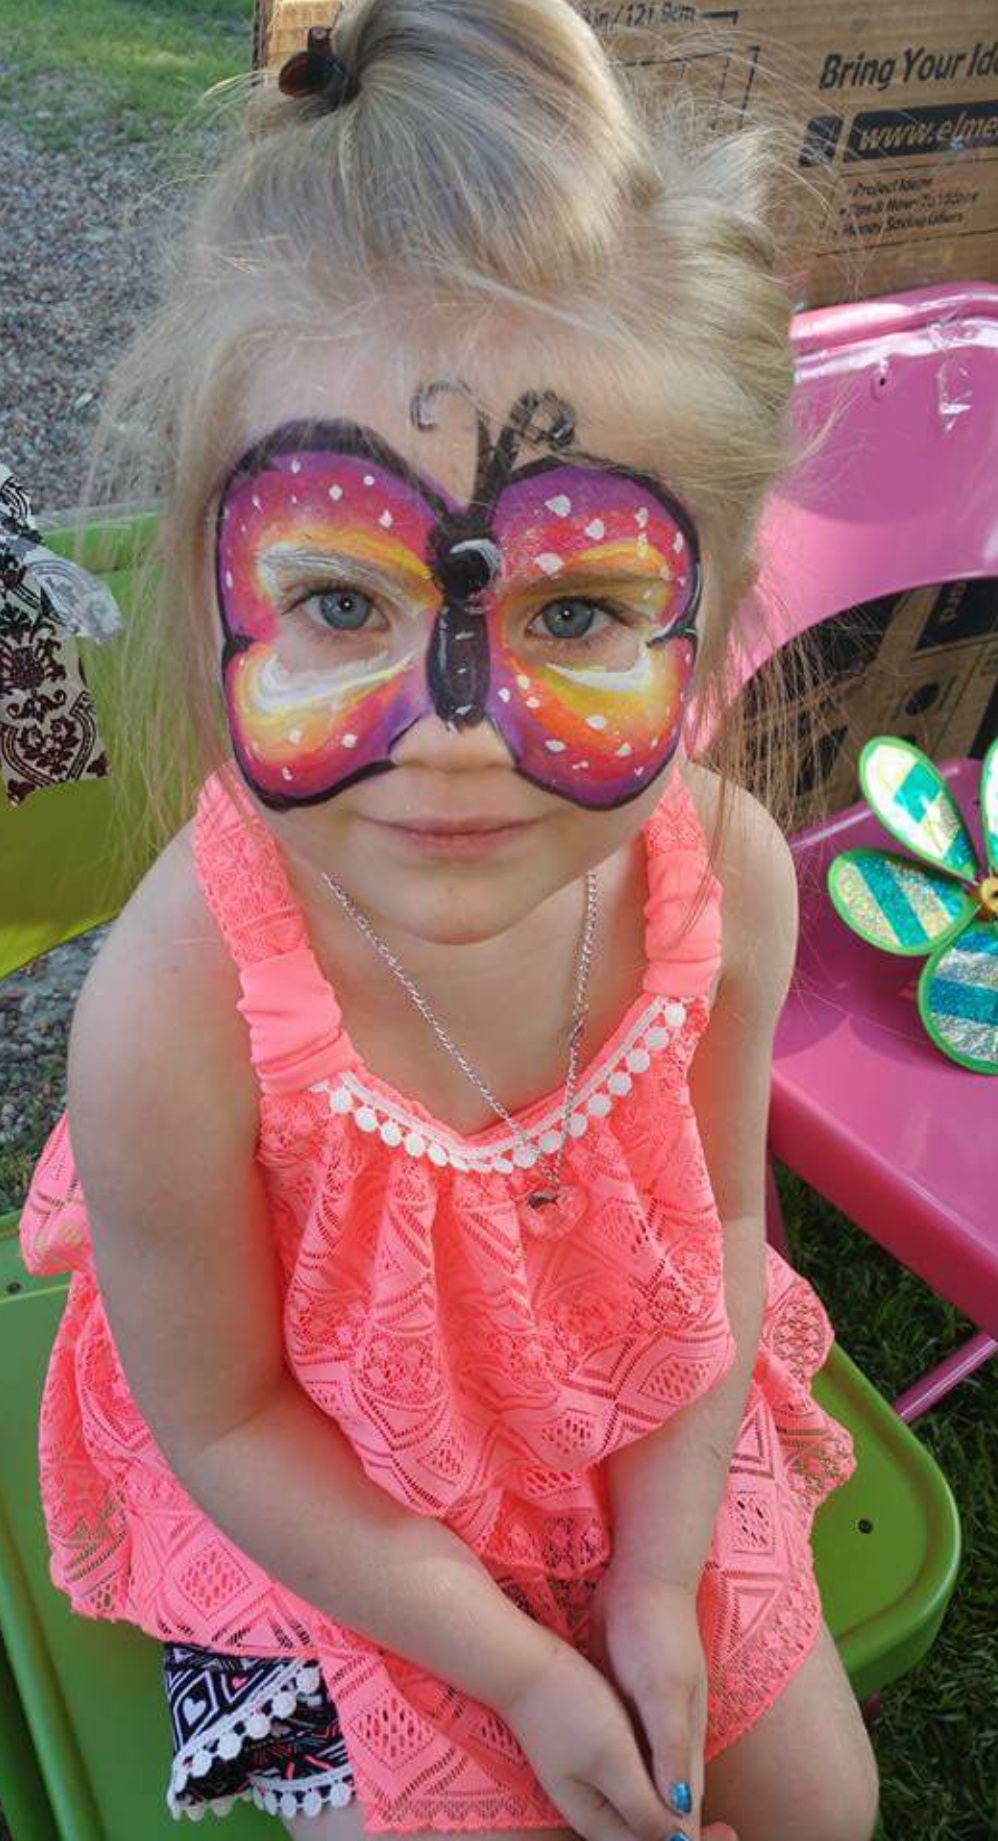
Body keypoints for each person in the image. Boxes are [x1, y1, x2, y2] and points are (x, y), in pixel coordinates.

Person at [18, 3, 881, 1839]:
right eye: (341, 602)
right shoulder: (176, 1019)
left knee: (822, 1809)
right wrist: (517, 1667)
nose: (456, 723)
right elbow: (229, 1421)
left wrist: (656, 1575)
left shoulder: (719, 881)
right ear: (210, 597)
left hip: (632, 1410)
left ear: (713, 609)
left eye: (572, 613)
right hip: (319, 1509)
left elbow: (723, 1221)